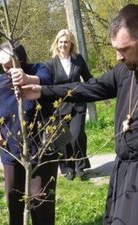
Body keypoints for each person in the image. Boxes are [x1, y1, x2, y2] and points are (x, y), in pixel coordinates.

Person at [21, 4, 138, 225]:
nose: (118, 57)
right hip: (124, 169)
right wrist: (42, 92)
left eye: (123, 49)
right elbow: (91, 87)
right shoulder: (127, 69)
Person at [0, 41, 58, 225]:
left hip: (40, 150)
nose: (5, 68)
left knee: (40, 201)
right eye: (3, 65)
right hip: (11, 152)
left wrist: (26, 79)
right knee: (14, 199)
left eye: (9, 64)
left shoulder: (39, 69)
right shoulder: (0, 81)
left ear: (21, 59)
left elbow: (46, 82)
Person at [47, 29, 92, 180]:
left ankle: (80, 166)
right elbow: (46, 84)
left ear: (71, 43)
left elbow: (88, 78)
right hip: (59, 106)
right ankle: (68, 168)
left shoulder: (78, 59)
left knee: (77, 135)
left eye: (66, 42)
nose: (63, 45)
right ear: (56, 43)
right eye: (60, 42)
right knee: (63, 139)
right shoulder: (51, 63)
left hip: (78, 103)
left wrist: (102, 93)